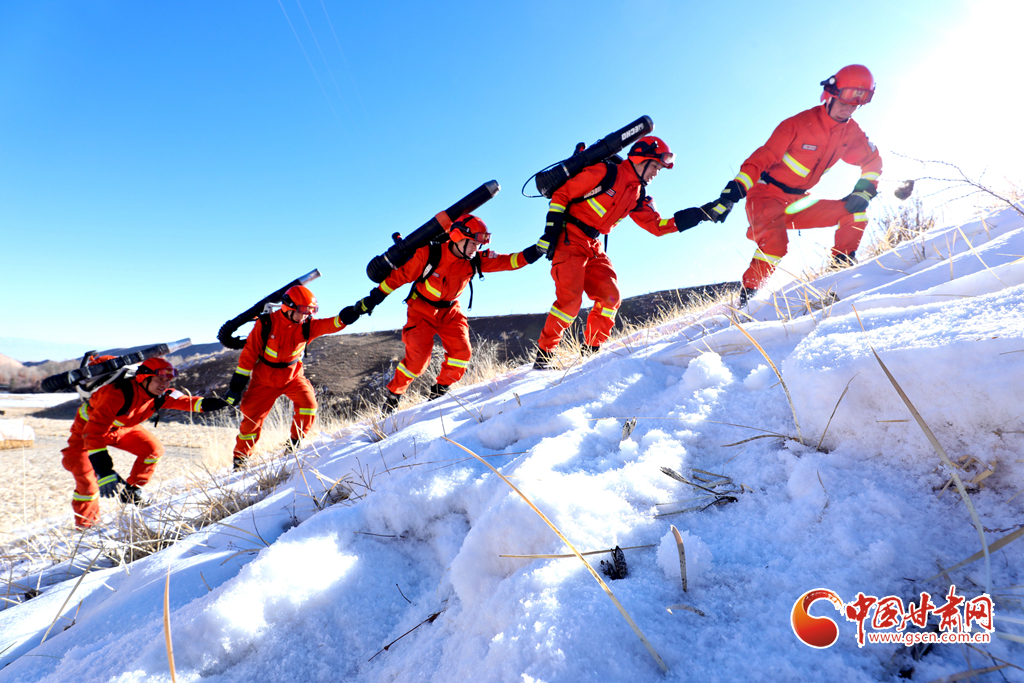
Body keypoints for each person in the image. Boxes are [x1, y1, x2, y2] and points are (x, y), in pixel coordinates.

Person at [679, 64, 883, 306]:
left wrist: (864, 189)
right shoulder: (797, 124)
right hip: (765, 196)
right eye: (845, 100)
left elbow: (872, 161)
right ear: (831, 93)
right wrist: (731, 195)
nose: (848, 108)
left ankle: (839, 276)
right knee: (775, 245)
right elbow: (761, 159)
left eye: (856, 104)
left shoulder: (852, 133)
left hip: (799, 202)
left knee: (856, 212)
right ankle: (748, 302)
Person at [339, 214, 542, 414]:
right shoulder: (429, 254)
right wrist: (372, 299)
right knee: (417, 362)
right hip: (421, 310)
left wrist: (538, 249)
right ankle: (394, 396)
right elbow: (397, 278)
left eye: (478, 245)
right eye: (473, 243)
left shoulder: (474, 260)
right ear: (458, 237)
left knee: (462, 353)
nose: (476, 248)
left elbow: (510, 261)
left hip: (451, 312)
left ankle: (438, 394)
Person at [532, 135, 690, 368]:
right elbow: (561, 195)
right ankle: (544, 357)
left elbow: (656, 226)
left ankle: (590, 354)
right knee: (569, 303)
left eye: (659, 169)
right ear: (642, 159)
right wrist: (551, 231)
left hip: (593, 246)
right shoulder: (605, 172)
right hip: (569, 239)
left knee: (610, 297)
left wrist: (697, 215)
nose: (656, 173)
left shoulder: (638, 194)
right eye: (655, 166)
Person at [60, 357, 228, 529]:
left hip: (121, 429)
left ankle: (132, 492)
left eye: (167, 380)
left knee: (153, 450)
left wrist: (223, 401)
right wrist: (104, 470)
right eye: (159, 379)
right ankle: (86, 528)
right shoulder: (116, 393)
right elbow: (93, 432)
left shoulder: (161, 395)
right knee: (87, 483)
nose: (164, 384)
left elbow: (191, 402)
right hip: (86, 431)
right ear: (143, 378)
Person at [224, 285, 348, 469]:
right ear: (288, 307)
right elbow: (248, 355)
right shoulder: (266, 323)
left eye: (310, 311)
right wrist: (236, 387)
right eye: (302, 311)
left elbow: (332, 324)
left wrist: (350, 314)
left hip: (293, 378)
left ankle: (293, 446)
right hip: (264, 381)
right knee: (250, 420)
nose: (305, 316)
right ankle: (240, 461)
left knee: (309, 406)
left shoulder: (307, 325)